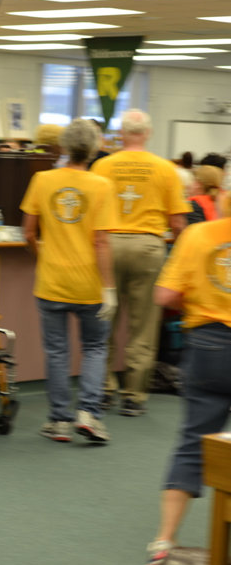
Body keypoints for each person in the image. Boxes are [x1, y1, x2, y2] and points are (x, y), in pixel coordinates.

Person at [144, 191, 231, 565]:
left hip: (207, 345)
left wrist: (197, 303)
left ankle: (164, 542)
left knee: (193, 443)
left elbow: (165, 295)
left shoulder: (197, 235)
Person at [21, 119, 118, 444]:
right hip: (90, 285)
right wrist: (109, 289)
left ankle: (59, 421)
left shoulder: (42, 180)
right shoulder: (101, 185)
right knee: (94, 348)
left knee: (57, 351)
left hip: (51, 282)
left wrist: (43, 257)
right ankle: (89, 414)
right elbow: (101, 242)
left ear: (63, 146)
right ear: (93, 150)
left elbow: (28, 232)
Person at [90, 109, 190, 417]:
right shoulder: (165, 169)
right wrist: (180, 259)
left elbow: (91, 212)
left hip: (109, 246)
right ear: (147, 133)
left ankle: (104, 390)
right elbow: (178, 223)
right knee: (143, 326)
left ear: (121, 133)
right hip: (148, 248)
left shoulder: (102, 166)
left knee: (105, 322)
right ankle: (133, 397)